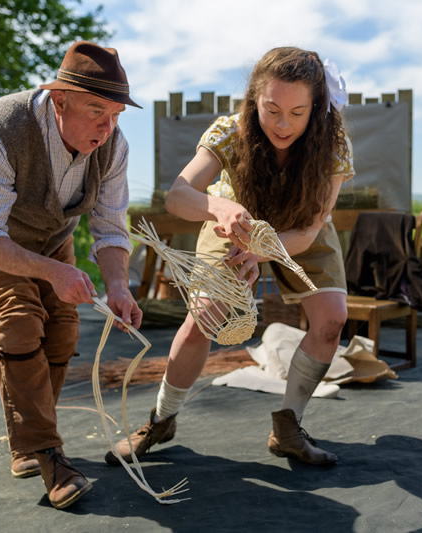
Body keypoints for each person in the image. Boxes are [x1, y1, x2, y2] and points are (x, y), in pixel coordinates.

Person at [105, 46, 354, 467]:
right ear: (254, 98)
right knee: (206, 314)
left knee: (332, 319)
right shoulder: (230, 132)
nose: (283, 124)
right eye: (272, 109)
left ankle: (288, 427)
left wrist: (263, 250)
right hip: (233, 223)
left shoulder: (334, 145)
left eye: (298, 113)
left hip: (297, 230)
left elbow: (310, 230)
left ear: (317, 107)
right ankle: (161, 421)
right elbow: (178, 197)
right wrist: (218, 208)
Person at [0, 41, 143, 509]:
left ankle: (29, 441)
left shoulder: (112, 145)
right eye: (96, 110)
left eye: (115, 114)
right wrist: (51, 271)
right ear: (59, 99)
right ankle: (49, 453)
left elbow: (112, 227)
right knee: (19, 320)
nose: (106, 126)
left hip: (51, 233)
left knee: (63, 328)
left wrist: (118, 285)